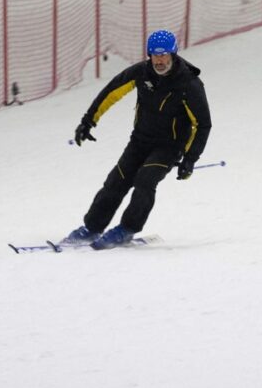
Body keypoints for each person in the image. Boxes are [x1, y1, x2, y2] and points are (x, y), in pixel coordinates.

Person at [63, 29, 212, 250]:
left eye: (164, 55)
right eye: (155, 55)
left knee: (145, 180)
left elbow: (203, 124)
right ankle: (92, 228)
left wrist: (190, 159)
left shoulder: (188, 84)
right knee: (116, 181)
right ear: (149, 55)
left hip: (169, 147)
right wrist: (88, 121)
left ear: (173, 54)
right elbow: (111, 92)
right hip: (140, 141)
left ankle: (127, 229)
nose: (159, 60)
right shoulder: (142, 73)